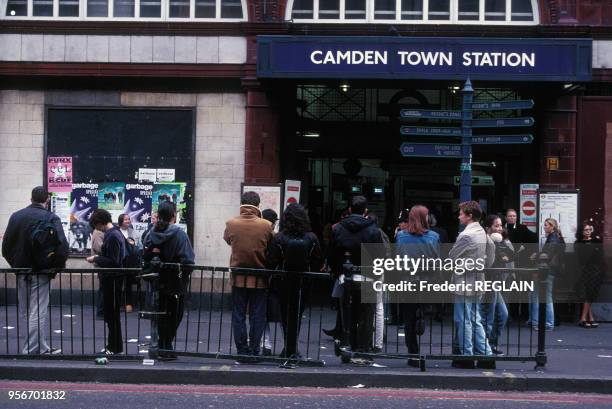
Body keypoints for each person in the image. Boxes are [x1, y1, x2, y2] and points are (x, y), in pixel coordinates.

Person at [2, 186, 69, 354]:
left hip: (22, 271)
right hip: (41, 271)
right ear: (47, 200)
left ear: (30, 198)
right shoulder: (51, 217)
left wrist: (16, 265)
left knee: (27, 312)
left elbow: (6, 247)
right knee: (38, 312)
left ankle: (41, 347)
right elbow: (63, 246)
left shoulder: (16, 216)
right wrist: (54, 267)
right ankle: (31, 350)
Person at [328, 195, 383, 362]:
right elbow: (379, 255)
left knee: (348, 314)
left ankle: (348, 347)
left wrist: (338, 272)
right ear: (365, 211)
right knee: (366, 316)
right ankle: (363, 350)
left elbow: (332, 254)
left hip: (346, 276)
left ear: (350, 209)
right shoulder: (373, 230)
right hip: (368, 277)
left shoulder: (338, 229)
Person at [266, 204, 323, 358]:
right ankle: (292, 348)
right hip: (303, 282)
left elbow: (271, 261)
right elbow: (317, 260)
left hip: (282, 281)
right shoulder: (312, 237)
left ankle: (288, 347)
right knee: (297, 314)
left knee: (285, 315)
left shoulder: (279, 238)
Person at [143, 201, 195, 360]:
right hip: (175, 283)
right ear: (174, 216)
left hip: (156, 281)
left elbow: (145, 255)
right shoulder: (179, 234)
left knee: (160, 315)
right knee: (174, 316)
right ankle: (166, 346)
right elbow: (188, 260)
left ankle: (160, 346)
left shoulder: (150, 233)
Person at [224, 191, 273, 358]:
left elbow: (228, 240)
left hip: (238, 276)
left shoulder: (231, 223)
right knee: (257, 315)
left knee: (238, 315)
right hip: (260, 277)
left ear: (242, 204)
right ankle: (254, 350)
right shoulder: (266, 225)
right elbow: (270, 245)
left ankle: (241, 350)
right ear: (258, 205)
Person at [449, 201, 495, 369]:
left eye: (461, 213)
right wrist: (482, 267)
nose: (459, 216)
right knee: (475, 320)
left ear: (469, 216)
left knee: (463, 320)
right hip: (478, 281)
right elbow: (491, 254)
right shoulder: (482, 232)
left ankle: (466, 355)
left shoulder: (466, 235)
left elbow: (451, 257)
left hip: (464, 282)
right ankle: (486, 355)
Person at [396, 205, 440, 367]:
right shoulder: (434, 236)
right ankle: (421, 313)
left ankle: (413, 354)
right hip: (426, 281)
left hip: (408, 281)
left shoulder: (401, 236)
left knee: (408, 320)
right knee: (418, 310)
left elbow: (398, 259)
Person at [86, 209, 126, 355]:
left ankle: (114, 347)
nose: (96, 229)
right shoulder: (114, 233)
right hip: (112, 278)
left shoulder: (112, 235)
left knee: (112, 315)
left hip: (112, 279)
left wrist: (95, 258)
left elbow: (113, 261)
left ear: (100, 223)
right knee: (111, 315)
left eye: (96, 226)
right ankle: (113, 346)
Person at [481, 215, 512, 355]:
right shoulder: (485, 242)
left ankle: (491, 344)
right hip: (487, 283)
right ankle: (484, 347)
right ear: (488, 228)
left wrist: (502, 245)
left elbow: (511, 255)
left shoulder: (500, 242)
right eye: (496, 226)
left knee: (503, 315)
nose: (500, 229)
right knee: (488, 317)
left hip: (495, 283)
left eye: (501, 225)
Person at [529, 218, 565, 331]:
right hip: (550, 270)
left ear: (552, 227)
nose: (544, 227)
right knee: (537, 295)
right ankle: (537, 321)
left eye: (546, 225)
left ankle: (543, 323)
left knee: (539, 296)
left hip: (547, 271)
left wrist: (536, 255)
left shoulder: (553, 238)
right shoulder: (554, 237)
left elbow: (547, 254)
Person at [366, 212, 390, 353]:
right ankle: (378, 342)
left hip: (368, 272)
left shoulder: (369, 234)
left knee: (368, 307)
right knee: (379, 307)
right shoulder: (383, 234)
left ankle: (367, 339)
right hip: (379, 272)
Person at [575, 221, 606, 328]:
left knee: (591, 294)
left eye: (589, 229)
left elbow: (600, 256)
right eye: (586, 230)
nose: (588, 232)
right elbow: (581, 258)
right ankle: (585, 318)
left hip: (596, 270)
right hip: (584, 270)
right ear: (581, 231)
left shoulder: (596, 240)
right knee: (588, 294)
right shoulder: (578, 242)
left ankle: (586, 318)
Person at [261, 208, 280, 356]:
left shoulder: (258, 235)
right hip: (276, 280)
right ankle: (287, 343)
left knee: (262, 313)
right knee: (281, 314)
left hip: (261, 278)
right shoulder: (276, 237)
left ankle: (265, 342)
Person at [118, 213, 139, 313]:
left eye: (129, 219)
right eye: (126, 219)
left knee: (128, 283)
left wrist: (132, 243)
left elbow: (136, 243)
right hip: (119, 261)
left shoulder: (131, 231)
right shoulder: (117, 231)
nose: (128, 221)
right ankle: (118, 304)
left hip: (130, 261)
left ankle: (128, 303)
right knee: (118, 283)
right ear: (121, 221)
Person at [91, 228, 106, 319]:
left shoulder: (100, 231)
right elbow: (99, 248)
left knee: (103, 288)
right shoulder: (98, 232)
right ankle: (100, 312)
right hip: (101, 263)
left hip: (101, 262)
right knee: (103, 288)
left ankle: (101, 311)